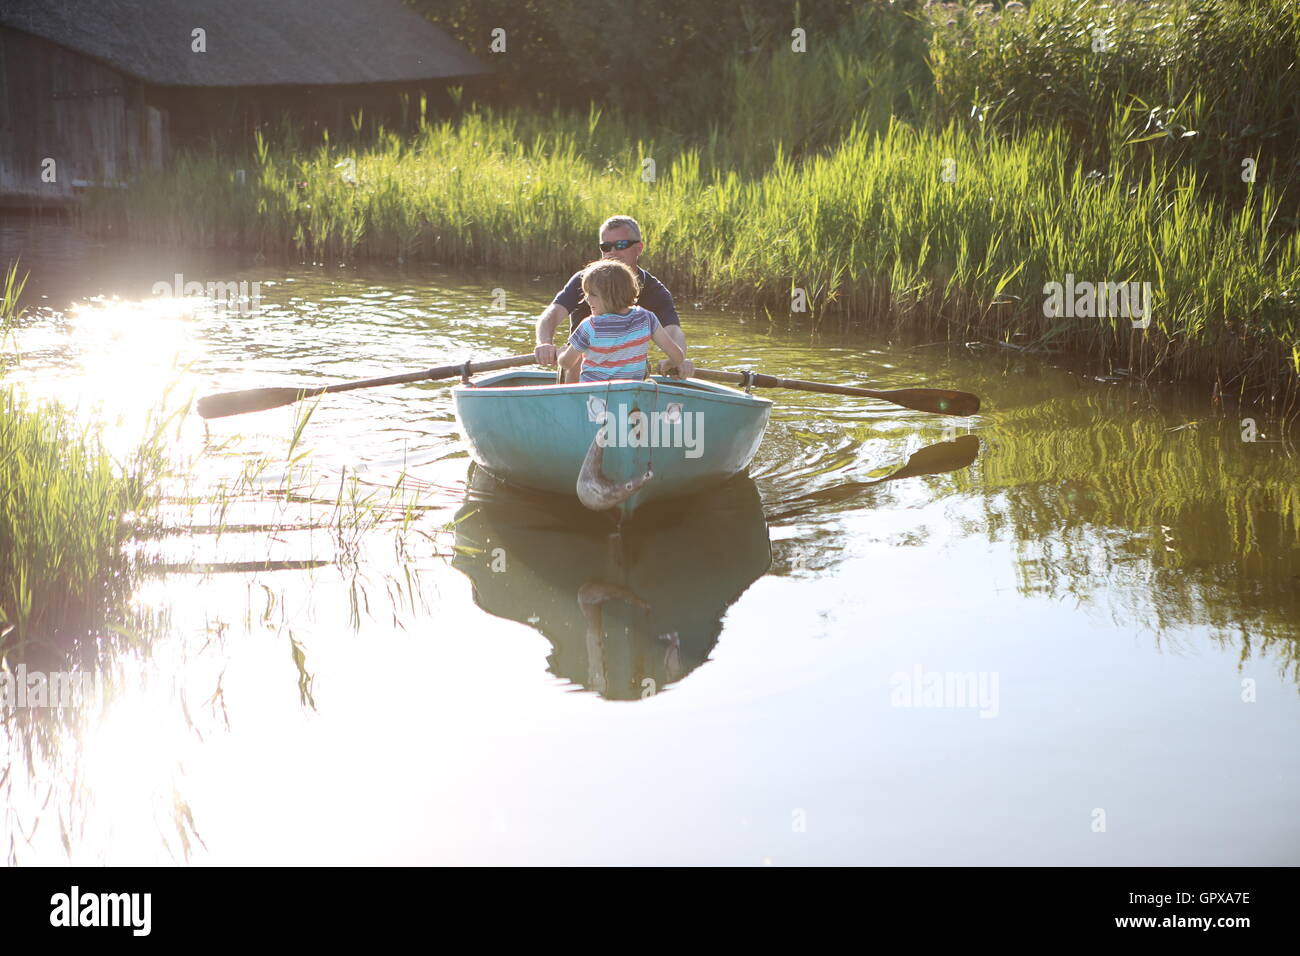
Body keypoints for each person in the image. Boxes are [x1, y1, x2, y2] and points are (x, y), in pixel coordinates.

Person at [535, 215, 694, 382]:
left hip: (628, 373)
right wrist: (544, 343)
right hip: (579, 368)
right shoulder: (586, 281)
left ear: (639, 248)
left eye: (621, 245)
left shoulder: (655, 291)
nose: (612, 252)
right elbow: (552, 313)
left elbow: (673, 331)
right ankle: (575, 404)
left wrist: (679, 361)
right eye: (606, 246)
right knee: (579, 356)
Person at [557, 259, 685, 383]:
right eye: (586, 294)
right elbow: (678, 357)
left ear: (611, 295)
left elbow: (567, 363)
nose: (587, 299)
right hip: (630, 396)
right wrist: (669, 363)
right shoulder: (647, 318)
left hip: (595, 399)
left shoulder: (589, 326)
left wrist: (561, 354)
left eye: (593, 294)